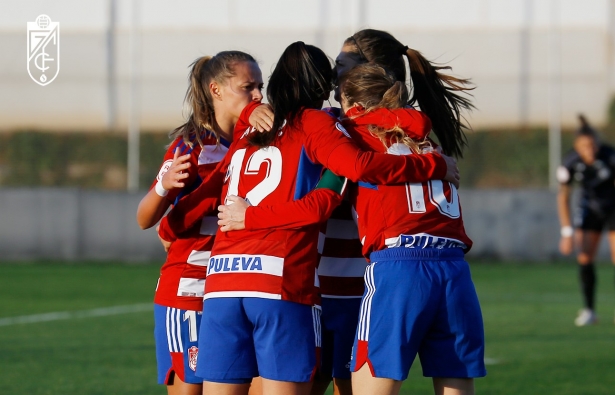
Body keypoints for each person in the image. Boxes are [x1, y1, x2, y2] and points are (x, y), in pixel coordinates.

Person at [157, 41, 460, 395]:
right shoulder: (330, 124)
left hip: (224, 283)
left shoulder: (249, 129)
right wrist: (433, 163)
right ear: (324, 86)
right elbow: (345, 178)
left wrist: (171, 223)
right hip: (287, 281)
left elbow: (196, 202)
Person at [246, 28, 474, 395]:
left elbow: (337, 184)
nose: (333, 74)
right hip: (417, 269)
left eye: (341, 65)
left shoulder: (346, 128)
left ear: (368, 72)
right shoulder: (418, 132)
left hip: (354, 282)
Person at [338, 63, 486, 395]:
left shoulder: (354, 132)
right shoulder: (425, 139)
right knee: (456, 384)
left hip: (400, 267)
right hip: (454, 271)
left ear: (351, 101)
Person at [136, 51, 264, 395]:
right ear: (216, 90)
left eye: (260, 87)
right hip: (190, 294)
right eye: (248, 87)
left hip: (238, 290)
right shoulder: (191, 147)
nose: (258, 96)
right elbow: (145, 218)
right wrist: (164, 185)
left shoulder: (256, 145)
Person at [556, 114, 615, 326]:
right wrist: (567, 232)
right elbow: (563, 196)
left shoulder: (610, 156)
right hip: (590, 210)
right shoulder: (570, 163)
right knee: (584, 257)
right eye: (585, 146)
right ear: (577, 146)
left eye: (593, 144)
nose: (590, 149)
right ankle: (589, 310)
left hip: (613, 208)